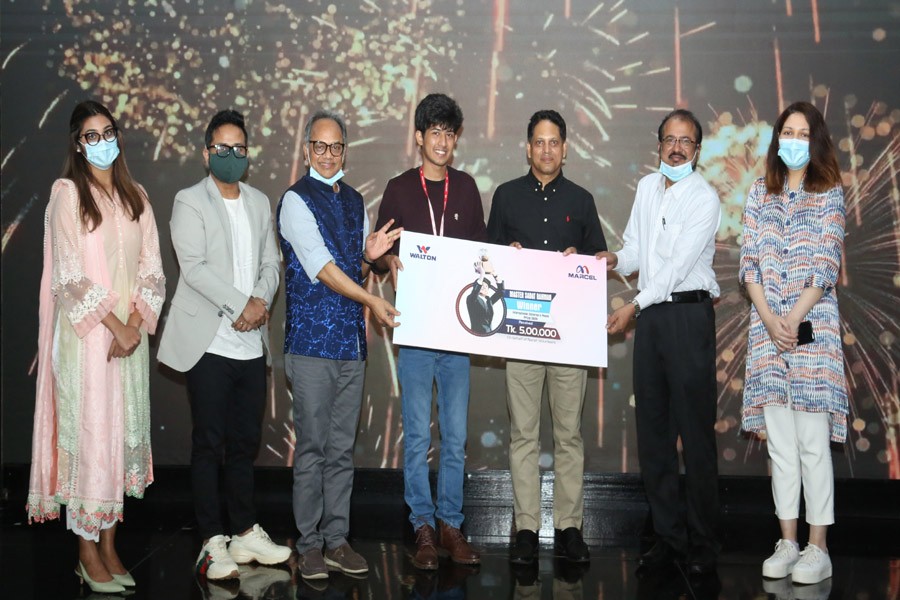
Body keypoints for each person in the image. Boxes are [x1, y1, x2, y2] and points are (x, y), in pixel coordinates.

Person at [27, 100, 166, 594]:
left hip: (127, 342)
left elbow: (152, 267)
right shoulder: (68, 194)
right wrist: (115, 325)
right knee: (92, 438)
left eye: (108, 131)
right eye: (91, 134)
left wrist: (133, 324)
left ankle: (110, 544)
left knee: (117, 436)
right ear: (77, 144)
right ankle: (86, 551)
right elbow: (69, 275)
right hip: (88, 340)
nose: (102, 141)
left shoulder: (137, 196)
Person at [158, 109, 291, 581]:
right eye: (222, 149)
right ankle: (212, 542)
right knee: (208, 443)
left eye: (239, 149)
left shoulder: (258, 201)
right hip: (208, 343)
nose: (230, 156)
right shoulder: (188, 201)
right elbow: (192, 268)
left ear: (247, 155)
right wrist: (242, 304)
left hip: (251, 347)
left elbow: (272, 262)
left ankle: (243, 531)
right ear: (206, 152)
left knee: (244, 444)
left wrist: (260, 301)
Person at [278, 109, 402, 580]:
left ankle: (337, 539)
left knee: (341, 451)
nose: (327, 155)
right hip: (310, 345)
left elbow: (353, 268)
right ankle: (308, 544)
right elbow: (325, 270)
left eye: (336, 147)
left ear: (345, 150)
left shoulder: (354, 201)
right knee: (310, 449)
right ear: (307, 149)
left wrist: (370, 259)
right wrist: (370, 296)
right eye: (319, 146)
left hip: (351, 346)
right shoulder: (294, 201)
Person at [601, 108, 721, 575]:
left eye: (686, 141)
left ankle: (704, 545)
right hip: (649, 320)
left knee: (694, 437)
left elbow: (674, 270)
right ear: (658, 144)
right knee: (653, 435)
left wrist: (633, 305)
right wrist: (611, 259)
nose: (676, 147)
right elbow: (635, 250)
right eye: (669, 139)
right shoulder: (648, 187)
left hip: (687, 316)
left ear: (697, 150)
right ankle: (669, 540)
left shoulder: (704, 199)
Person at [487, 109, 607, 565]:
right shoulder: (505, 196)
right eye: (539, 141)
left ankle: (570, 529)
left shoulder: (583, 198)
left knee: (569, 435)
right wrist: (506, 256)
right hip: (519, 337)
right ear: (527, 146)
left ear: (565, 147)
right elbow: (487, 263)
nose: (546, 149)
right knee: (522, 435)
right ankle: (524, 530)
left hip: (568, 338)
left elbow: (601, 260)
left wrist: (586, 260)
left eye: (554, 142)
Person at [373, 93, 486, 570]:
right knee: (418, 436)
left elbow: (483, 255)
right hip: (417, 331)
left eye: (449, 133)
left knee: (456, 437)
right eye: (434, 132)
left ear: (456, 140)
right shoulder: (399, 189)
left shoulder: (466, 188)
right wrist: (383, 257)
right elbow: (378, 251)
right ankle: (421, 525)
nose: (442, 141)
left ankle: (451, 525)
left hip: (458, 334)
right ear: (419, 138)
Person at [739, 101, 847, 585]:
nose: (794, 140)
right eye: (788, 131)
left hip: (812, 335)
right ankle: (787, 540)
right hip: (766, 337)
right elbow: (749, 263)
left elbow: (826, 264)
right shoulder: (760, 193)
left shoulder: (829, 194)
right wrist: (769, 318)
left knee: (811, 445)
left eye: (804, 133)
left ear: (816, 140)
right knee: (779, 446)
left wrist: (792, 318)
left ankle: (817, 547)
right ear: (777, 138)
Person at [466, 259, 504, 335]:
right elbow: (475, 292)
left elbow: (501, 292)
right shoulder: (471, 299)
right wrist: (482, 274)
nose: (484, 287)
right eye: (482, 285)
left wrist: (494, 274)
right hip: (477, 336)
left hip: (489, 335)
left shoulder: (489, 301)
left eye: (486, 286)